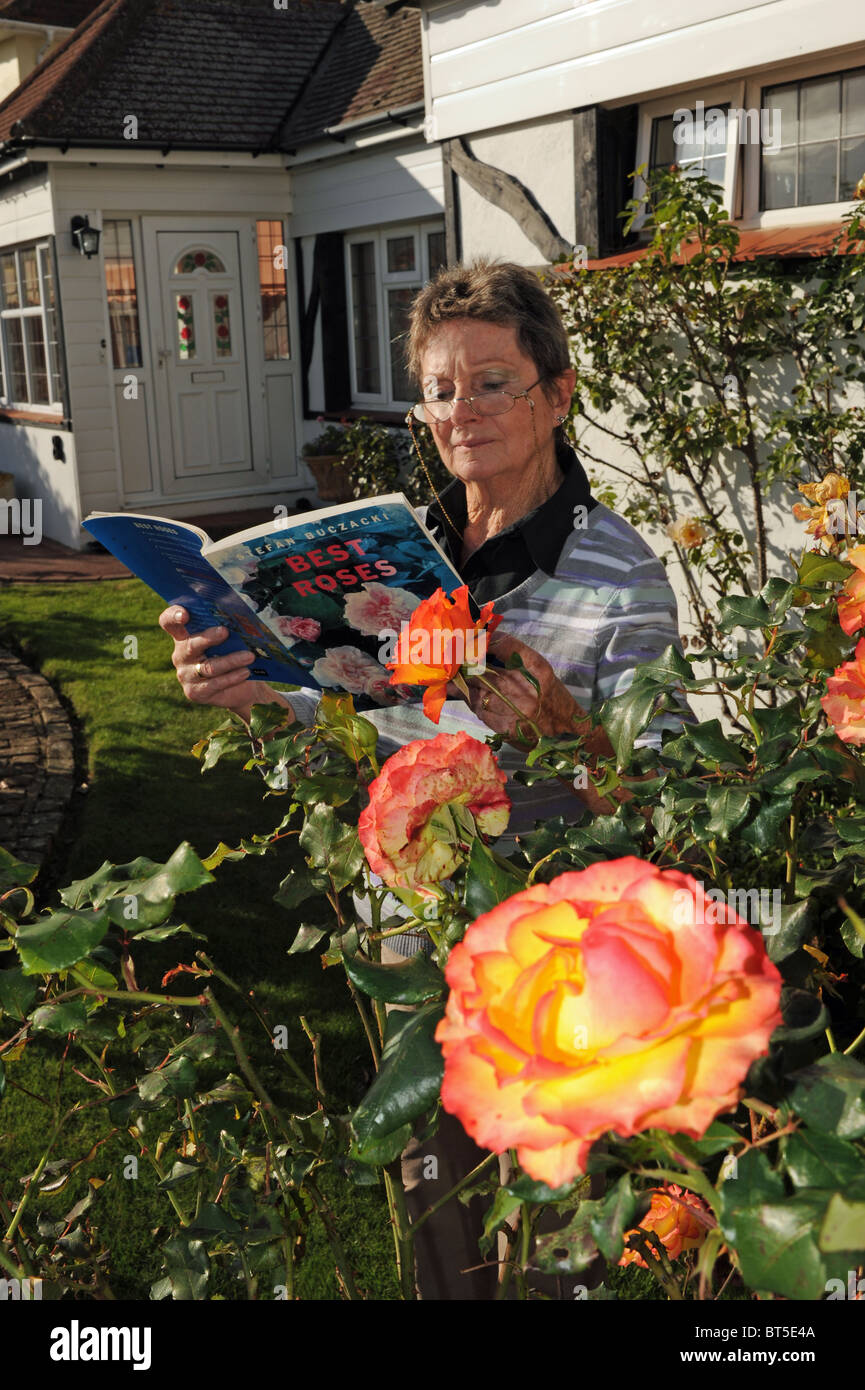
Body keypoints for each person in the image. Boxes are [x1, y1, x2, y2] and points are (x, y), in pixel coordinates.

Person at [158, 259, 692, 1298]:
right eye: (442, 390)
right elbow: (348, 727)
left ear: (558, 393)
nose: (463, 410)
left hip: (555, 972)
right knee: (441, 1231)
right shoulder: (398, 562)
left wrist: (566, 726)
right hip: (413, 950)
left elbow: (661, 808)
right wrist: (250, 691)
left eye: (492, 380)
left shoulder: (621, 573)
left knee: (552, 1251)